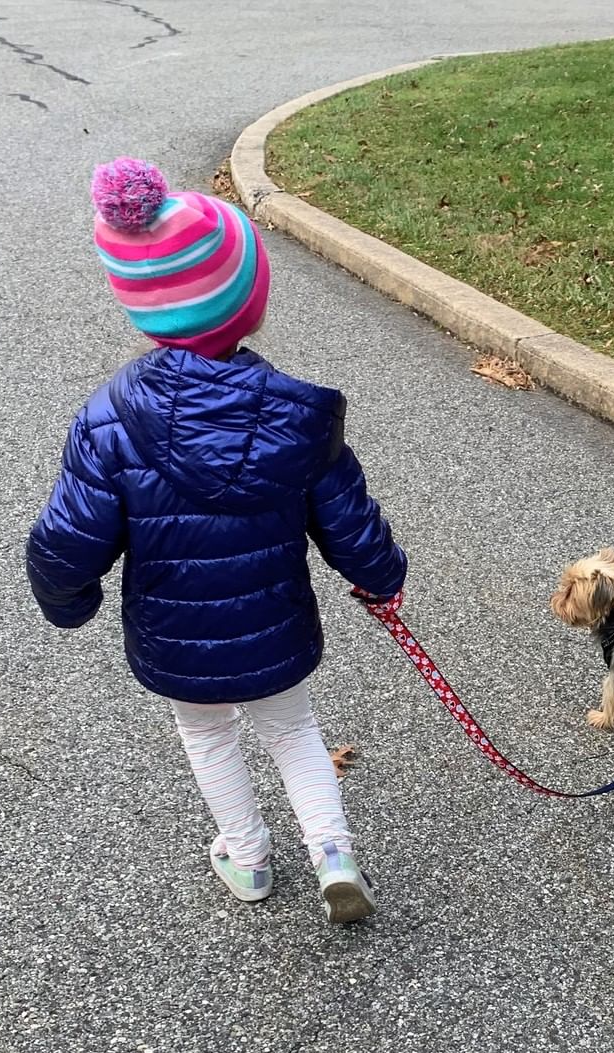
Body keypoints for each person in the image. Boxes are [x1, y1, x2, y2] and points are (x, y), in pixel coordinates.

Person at [26, 157, 406, 923]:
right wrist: (380, 576)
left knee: (208, 736)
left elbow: (68, 538)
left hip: (176, 636)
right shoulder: (297, 418)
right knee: (294, 729)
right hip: (276, 627)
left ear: (141, 311)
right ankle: (333, 852)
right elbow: (348, 516)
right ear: (250, 305)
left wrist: (68, 599)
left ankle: (249, 855)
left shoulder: (107, 421)